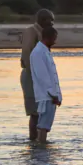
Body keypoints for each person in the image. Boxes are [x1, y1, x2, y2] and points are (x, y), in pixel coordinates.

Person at [21, 9, 55, 140]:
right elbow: (27, 54)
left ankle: (38, 142)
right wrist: (37, 77)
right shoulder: (31, 31)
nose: (51, 23)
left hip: (39, 77)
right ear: (41, 19)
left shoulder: (44, 33)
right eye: (48, 19)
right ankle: (33, 141)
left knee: (42, 110)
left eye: (53, 20)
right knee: (35, 112)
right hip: (31, 76)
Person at [30, 26, 62, 145]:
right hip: (46, 95)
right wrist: (53, 95)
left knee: (46, 124)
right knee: (43, 125)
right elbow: (43, 77)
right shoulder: (38, 52)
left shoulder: (45, 51)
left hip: (51, 95)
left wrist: (58, 95)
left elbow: (53, 76)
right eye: (54, 38)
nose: (55, 41)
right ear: (48, 37)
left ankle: (42, 146)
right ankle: (41, 147)